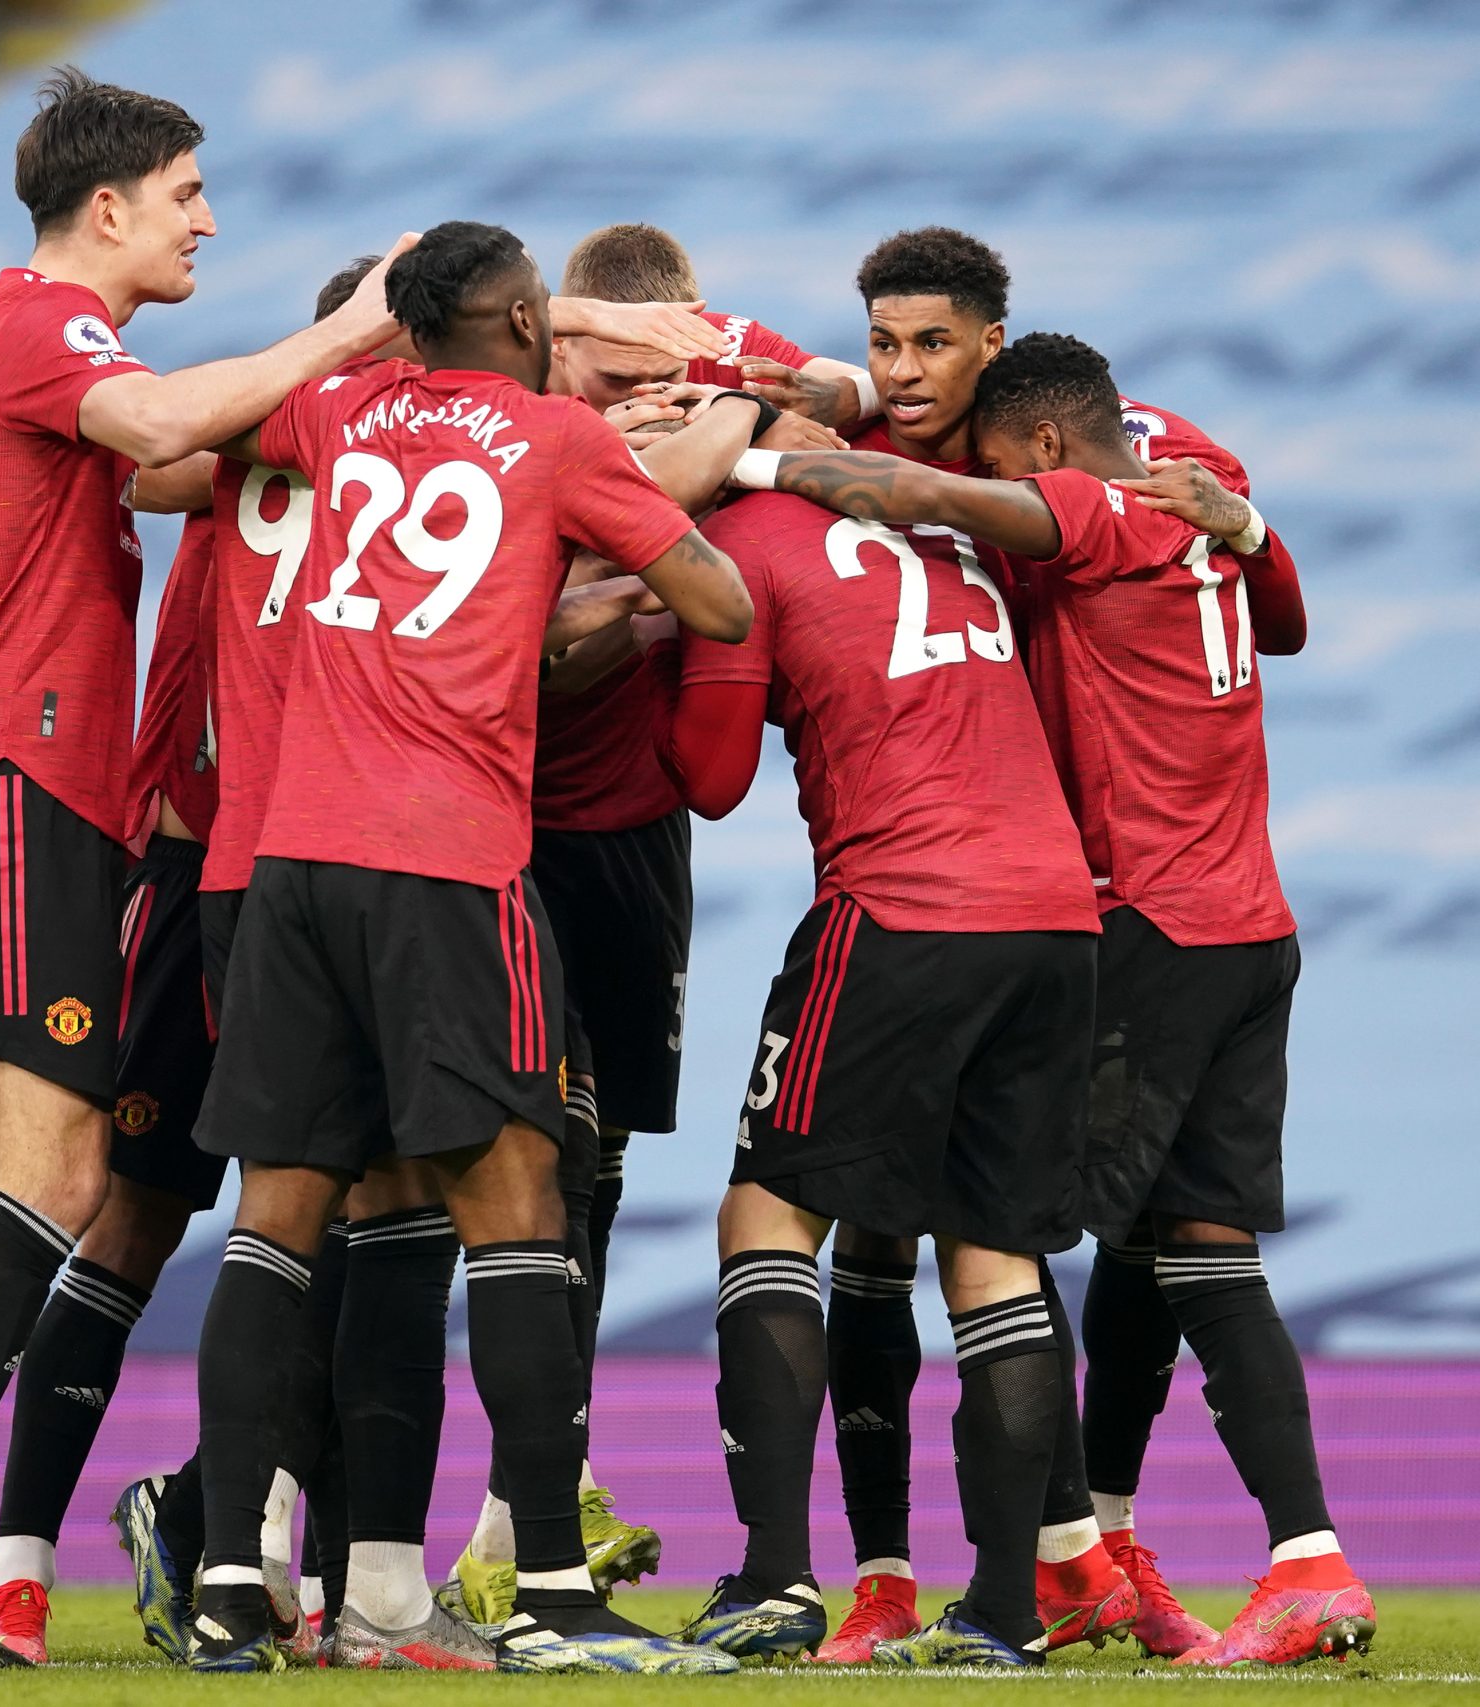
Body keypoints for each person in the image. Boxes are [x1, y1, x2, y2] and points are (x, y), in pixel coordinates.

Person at [0, 68, 416, 1669]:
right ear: (106, 208)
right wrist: (364, 327)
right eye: (188, 194)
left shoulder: (32, 342)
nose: (207, 221)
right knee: (57, 1184)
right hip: (20, 787)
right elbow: (173, 425)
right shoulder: (52, 330)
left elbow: (187, 462)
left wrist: (378, 418)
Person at [725, 330, 1376, 1669]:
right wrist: (1252, 520)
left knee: (957, 1232)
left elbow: (927, 497)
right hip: (1247, 923)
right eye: (878, 341)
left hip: (1125, 911)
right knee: (1178, 1245)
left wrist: (747, 456)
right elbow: (1289, 616)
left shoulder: (1072, 497)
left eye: (925, 347)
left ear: (1020, 416)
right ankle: (1275, 1557)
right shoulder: (1194, 466)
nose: (902, 371)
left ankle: (1033, 1565)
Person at [180, 220, 760, 1676]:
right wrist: (612, 595)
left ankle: (226, 1587)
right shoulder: (557, 439)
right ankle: (557, 1596)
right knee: (516, 1199)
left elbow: (176, 446)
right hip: (445, 861)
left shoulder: (336, 410)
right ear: (518, 314)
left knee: (277, 1218)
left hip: (293, 863)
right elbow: (721, 598)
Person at [654, 358, 1104, 1666]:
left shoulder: (738, 538)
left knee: (766, 1214)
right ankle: (1012, 1612)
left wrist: (662, 637)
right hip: (1055, 913)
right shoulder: (951, 509)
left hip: (905, 905)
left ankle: (780, 1581)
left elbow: (715, 778)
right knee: (994, 1256)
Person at [442, 219, 859, 1627]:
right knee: (459, 1176)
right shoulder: (528, 431)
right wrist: (704, 442)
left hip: (635, 847)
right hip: (503, 837)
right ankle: (244, 1505)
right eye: (620, 374)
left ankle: (528, 1500)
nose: (646, 398)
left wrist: (755, 384)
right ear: (559, 343)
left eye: (667, 366)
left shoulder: (716, 371)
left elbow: (854, 393)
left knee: (599, 1166)